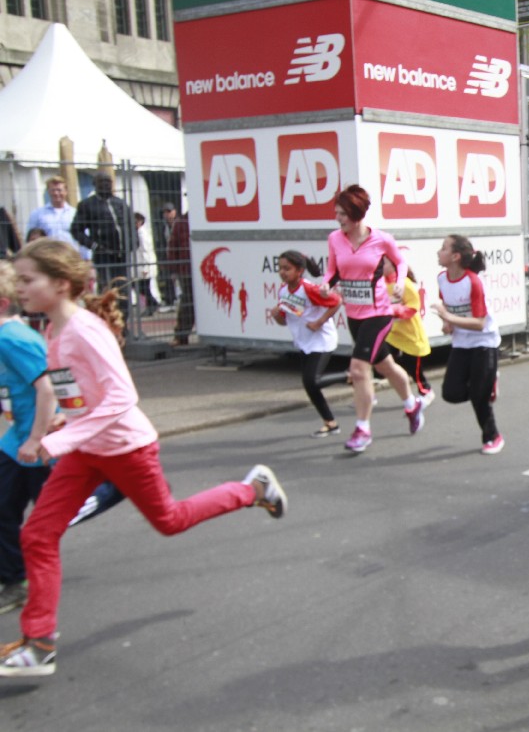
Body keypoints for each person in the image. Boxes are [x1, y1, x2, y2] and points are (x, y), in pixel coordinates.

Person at [0, 239, 287, 678]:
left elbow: (122, 396)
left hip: (126, 449)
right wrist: (62, 421)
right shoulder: (53, 331)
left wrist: (59, 439)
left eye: (27, 279)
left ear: (60, 284)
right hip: (87, 450)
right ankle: (39, 644)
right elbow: (79, 394)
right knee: (37, 535)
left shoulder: (84, 330)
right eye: (18, 280)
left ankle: (252, 489)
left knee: (170, 520)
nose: (19, 287)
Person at [323, 185, 423, 454]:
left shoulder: (381, 239)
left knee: (358, 369)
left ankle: (362, 429)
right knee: (386, 366)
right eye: (337, 213)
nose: (338, 219)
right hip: (354, 314)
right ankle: (412, 404)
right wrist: (325, 285)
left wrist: (399, 283)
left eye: (343, 214)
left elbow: (400, 262)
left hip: (378, 313)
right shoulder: (335, 239)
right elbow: (332, 270)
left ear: (356, 214)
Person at [0, 261, 57, 616]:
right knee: (4, 510)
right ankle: (14, 580)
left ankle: (112, 487)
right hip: (16, 441)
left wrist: (36, 439)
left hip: (37, 443)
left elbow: (47, 390)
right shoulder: (9, 336)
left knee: (51, 520)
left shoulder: (11, 338)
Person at [430, 234, 504, 455]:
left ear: (455, 256)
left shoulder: (473, 281)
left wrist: (448, 317)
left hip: (484, 342)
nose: (439, 252)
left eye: (443, 248)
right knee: (450, 393)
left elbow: (480, 323)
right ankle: (485, 385)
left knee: (480, 398)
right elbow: (447, 306)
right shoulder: (442, 279)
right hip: (461, 344)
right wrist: (447, 324)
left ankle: (492, 436)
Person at [270, 250, 344, 438]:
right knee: (311, 385)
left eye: (287, 268)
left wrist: (319, 322)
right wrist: (276, 316)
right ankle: (330, 423)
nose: (283, 272)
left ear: (299, 271)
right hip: (304, 341)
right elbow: (285, 320)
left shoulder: (309, 288)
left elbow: (336, 302)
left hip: (322, 340)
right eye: (280, 268)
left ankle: (349, 375)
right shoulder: (283, 291)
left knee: (311, 381)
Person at [69, 174, 132, 299]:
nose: (105, 184)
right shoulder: (87, 204)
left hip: (122, 255)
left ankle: (124, 311)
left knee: (124, 289)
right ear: (95, 184)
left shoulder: (120, 203)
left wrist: (132, 243)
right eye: (101, 181)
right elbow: (76, 230)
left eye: (108, 181)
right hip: (103, 256)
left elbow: (131, 225)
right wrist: (94, 246)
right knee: (106, 289)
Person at [383, 256, 435, 403]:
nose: (379, 265)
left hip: (410, 334)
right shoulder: (380, 284)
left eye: (383, 262)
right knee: (384, 362)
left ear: (394, 265)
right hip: (392, 334)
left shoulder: (404, 284)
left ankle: (425, 390)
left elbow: (413, 307)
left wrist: (395, 310)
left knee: (414, 369)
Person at [161, 203, 193, 344]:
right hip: (186, 269)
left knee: (189, 302)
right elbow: (172, 248)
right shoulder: (181, 223)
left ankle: (181, 335)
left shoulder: (181, 223)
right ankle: (181, 335)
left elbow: (172, 248)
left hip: (190, 268)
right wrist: (174, 270)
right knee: (188, 301)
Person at [25, 177, 80, 256]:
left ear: (66, 191)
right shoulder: (37, 214)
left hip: (70, 256)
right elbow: (29, 239)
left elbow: (83, 237)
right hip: (46, 257)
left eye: (59, 190)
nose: (56, 193)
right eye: (53, 190)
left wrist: (87, 258)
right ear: (48, 192)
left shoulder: (75, 213)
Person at [133, 213, 160, 317]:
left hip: (144, 265)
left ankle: (153, 304)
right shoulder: (140, 232)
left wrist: (145, 267)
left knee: (143, 287)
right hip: (143, 264)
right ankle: (152, 305)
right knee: (143, 287)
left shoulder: (141, 233)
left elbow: (145, 250)